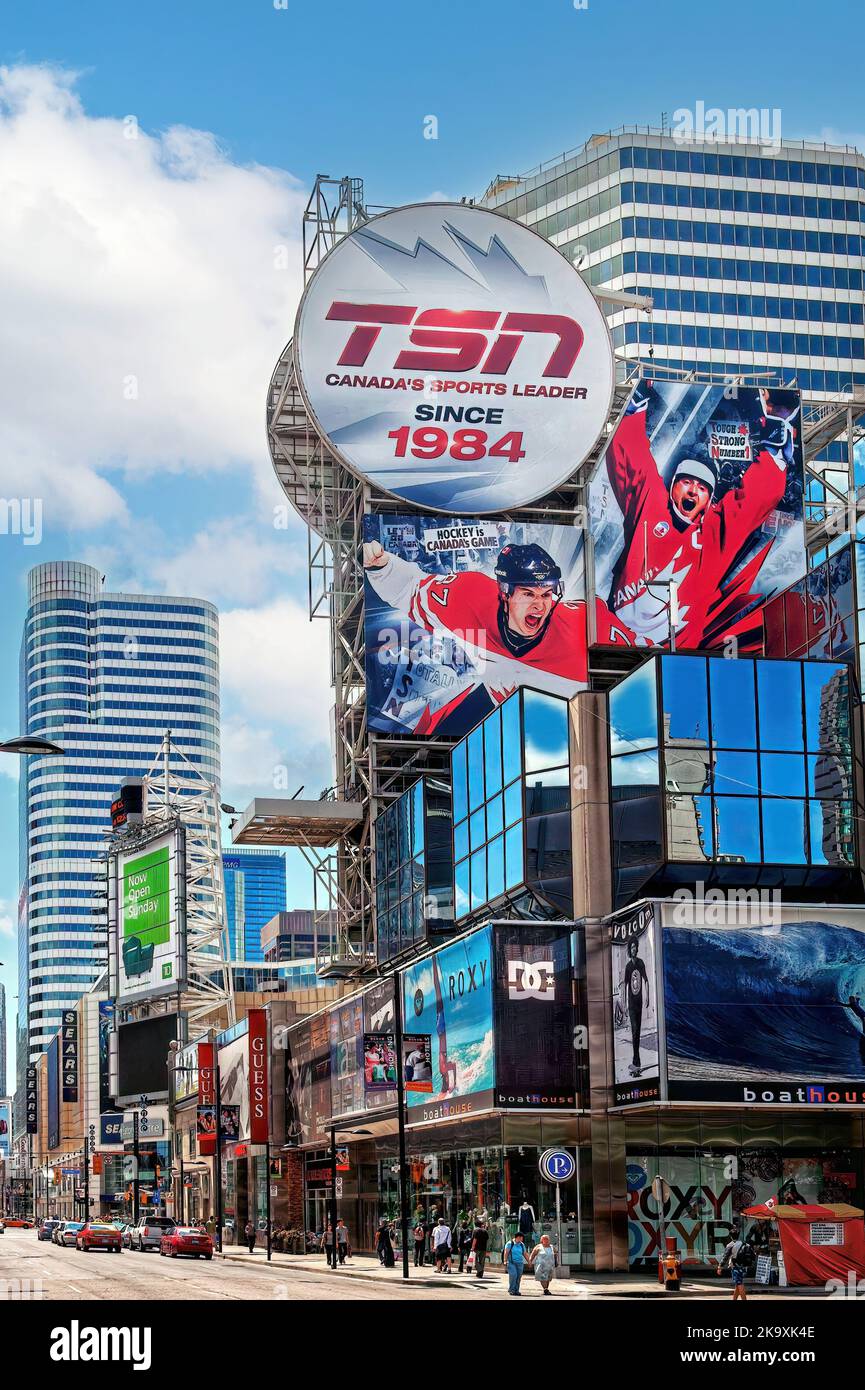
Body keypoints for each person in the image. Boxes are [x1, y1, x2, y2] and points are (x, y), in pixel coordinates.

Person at [363, 538, 633, 735]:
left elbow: (641, 667)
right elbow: (411, 588)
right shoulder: (467, 596)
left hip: (573, 731)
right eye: (528, 594)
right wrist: (382, 567)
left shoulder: (584, 625)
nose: (540, 605)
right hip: (497, 703)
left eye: (546, 594)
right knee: (438, 740)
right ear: (504, 593)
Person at [603, 382, 794, 648]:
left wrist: (773, 456)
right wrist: (635, 407)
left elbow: (750, 502)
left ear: (708, 500)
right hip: (616, 638)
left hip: (679, 655)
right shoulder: (652, 507)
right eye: (686, 482)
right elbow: (635, 465)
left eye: (702, 487)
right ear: (672, 488)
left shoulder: (712, 537)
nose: (693, 490)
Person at [624, 938, 650, 1076]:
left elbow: (646, 980)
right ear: (629, 949)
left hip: (639, 1002)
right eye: (632, 947)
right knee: (634, 1032)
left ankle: (636, 1061)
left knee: (637, 1032)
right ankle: (636, 1061)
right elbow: (626, 985)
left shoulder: (640, 963)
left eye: (635, 947)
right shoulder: (628, 966)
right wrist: (624, 1004)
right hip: (632, 1004)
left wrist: (648, 997)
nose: (634, 949)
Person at [719, 1233, 752, 1301]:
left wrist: (720, 1267)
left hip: (736, 1267)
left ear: (730, 1236)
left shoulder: (731, 1244)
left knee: (739, 1284)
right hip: (743, 1267)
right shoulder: (743, 1243)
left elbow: (725, 1257)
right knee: (737, 1284)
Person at [503, 1232, 529, 1296]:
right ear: (518, 1237)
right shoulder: (510, 1243)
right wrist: (505, 1261)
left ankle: (516, 1290)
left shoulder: (521, 1245)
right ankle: (511, 1290)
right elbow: (506, 1252)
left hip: (520, 1263)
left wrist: (529, 1261)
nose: (522, 1239)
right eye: (521, 1238)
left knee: (518, 1277)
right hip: (511, 1263)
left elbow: (524, 1253)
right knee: (513, 1275)